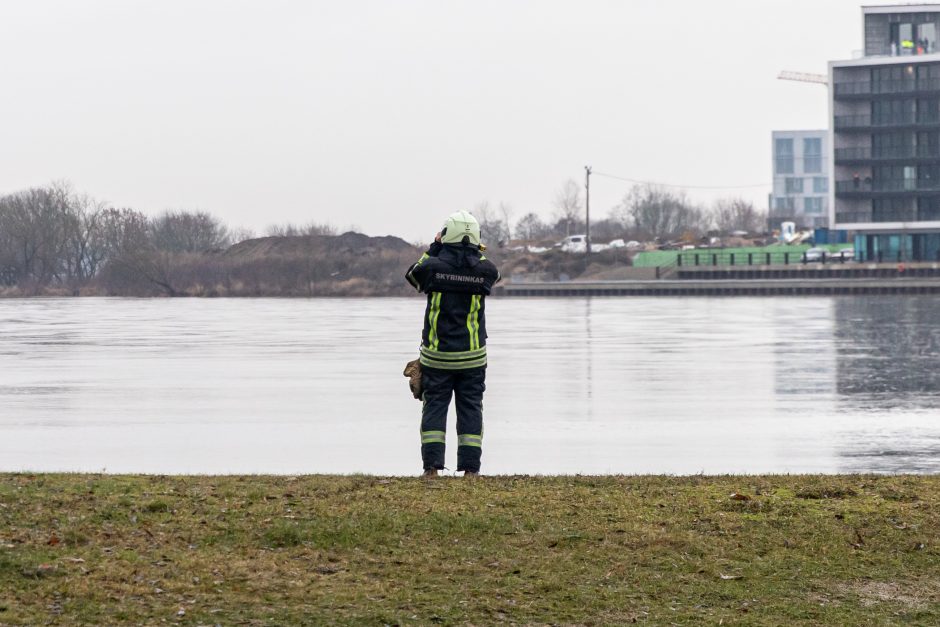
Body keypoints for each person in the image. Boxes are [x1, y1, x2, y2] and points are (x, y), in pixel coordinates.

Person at [405, 211, 500, 477]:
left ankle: (431, 469)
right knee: (471, 409)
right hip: (473, 358)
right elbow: (496, 274)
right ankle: (471, 470)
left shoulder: (432, 268)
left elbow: (412, 275)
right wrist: (474, 251)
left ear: (447, 235)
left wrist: (435, 246)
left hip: (437, 357)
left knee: (434, 409)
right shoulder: (485, 270)